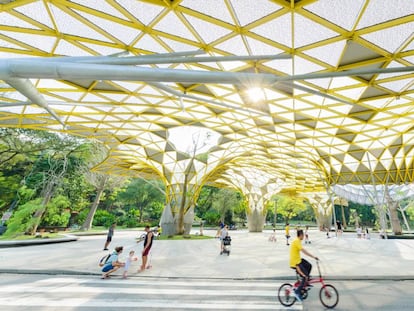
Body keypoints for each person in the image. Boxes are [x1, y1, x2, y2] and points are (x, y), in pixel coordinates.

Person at [290, 229, 319, 302]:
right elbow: (304, 251)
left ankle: (306, 282)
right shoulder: (297, 241)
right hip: (295, 263)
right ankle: (297, 292)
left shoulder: (298, 241)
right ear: (301, 235)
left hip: (298, 260)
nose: (303, 236)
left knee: (309, 265)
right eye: (303, 235)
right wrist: (313, 256)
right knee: (304, 276)